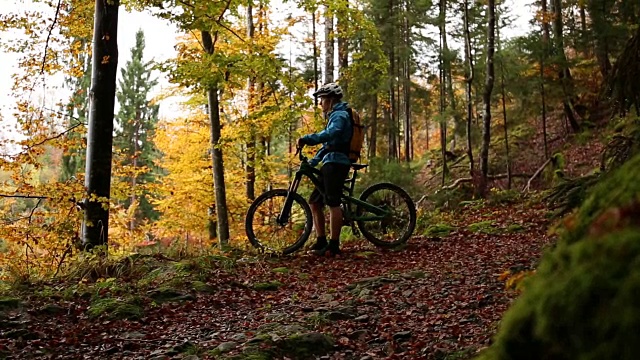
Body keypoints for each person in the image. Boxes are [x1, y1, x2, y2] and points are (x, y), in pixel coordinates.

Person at [297, 82, 353, 257]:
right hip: (330, 161)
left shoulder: (340, 115)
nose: (320, 103)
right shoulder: (334, 115)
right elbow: (329, 146)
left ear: (330, 99)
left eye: (321, 99)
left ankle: (334, 245)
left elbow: (331, 135)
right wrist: (314, 161)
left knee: (333, 202)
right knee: (314, 202)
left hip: (338, 163)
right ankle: (321, 240)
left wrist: (308, 138)